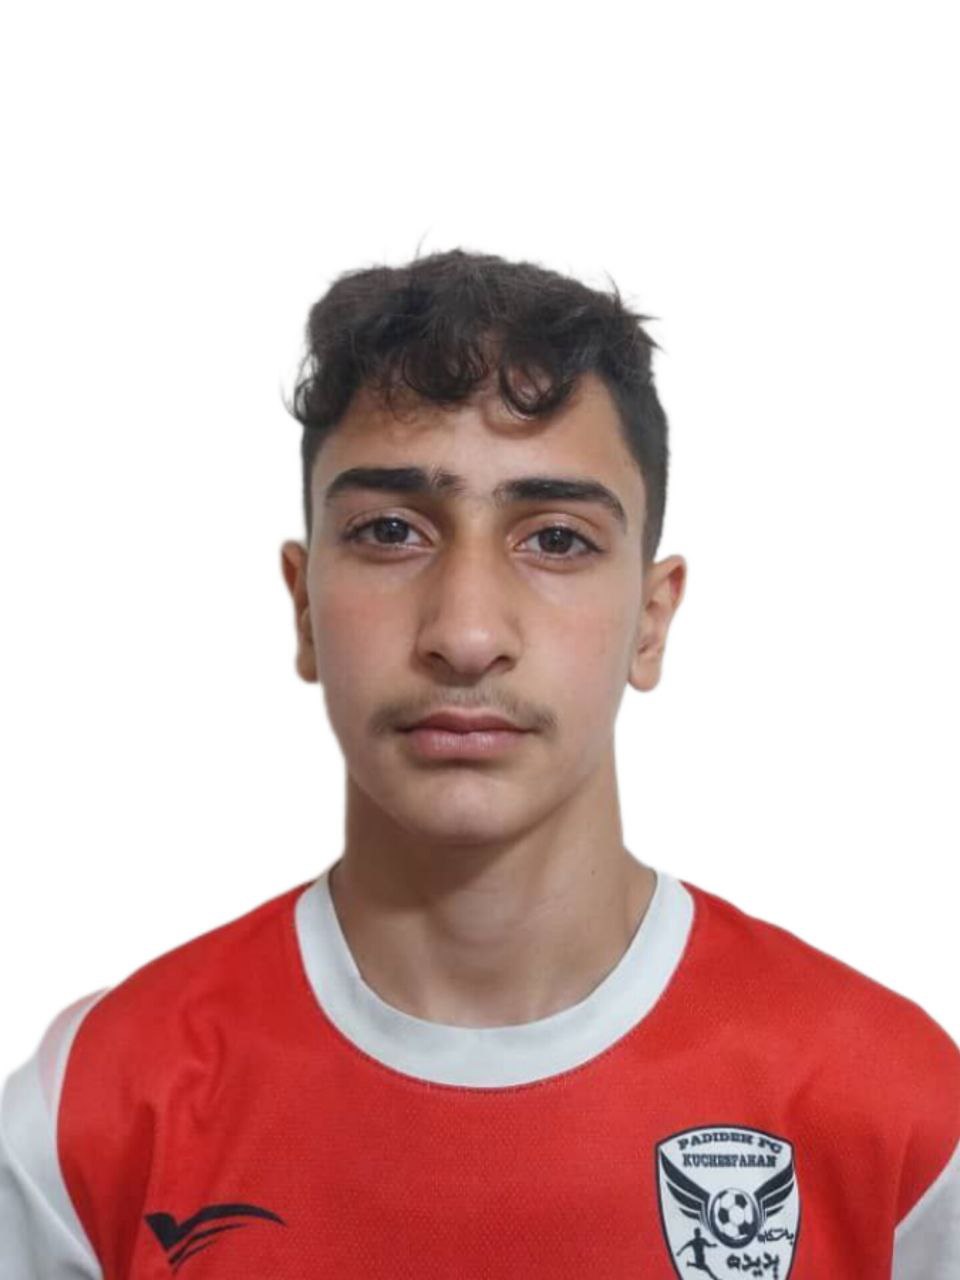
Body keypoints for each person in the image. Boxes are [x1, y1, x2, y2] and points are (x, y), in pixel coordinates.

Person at [0, 249, 956, 1278]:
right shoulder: (87, 1120)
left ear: (651, 619)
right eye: (391, 531)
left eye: (556, 539)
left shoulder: (901, 1123)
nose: (465, 634)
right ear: (304, 606)